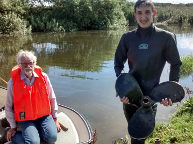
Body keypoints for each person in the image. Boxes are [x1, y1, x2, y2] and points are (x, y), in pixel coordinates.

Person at [114, 0, 182, 144]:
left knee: (141, 137)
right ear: (134, 15)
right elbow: (118, 63)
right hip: (131, 96)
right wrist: (122, 85)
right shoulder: (127, 38)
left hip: (153, 97)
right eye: (139, 13)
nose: (143, 17)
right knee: (134, 133)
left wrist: (171, 89)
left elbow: (175, 64)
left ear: (154, 13)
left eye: (147, 12)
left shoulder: (166, 38)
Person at [5, 50, 61, 144]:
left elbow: (52, 98)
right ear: (19, 65)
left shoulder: (44, 77)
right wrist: (13, 127)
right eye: (24, 63)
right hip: (25, 118)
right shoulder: (12, 82)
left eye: (30, 63)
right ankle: (15, 137)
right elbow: (8, 106)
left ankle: (35, 133)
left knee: (52, 138)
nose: (28, 66)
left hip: (43, 115)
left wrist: (55, 118)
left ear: (34, 63)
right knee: (33, 142)